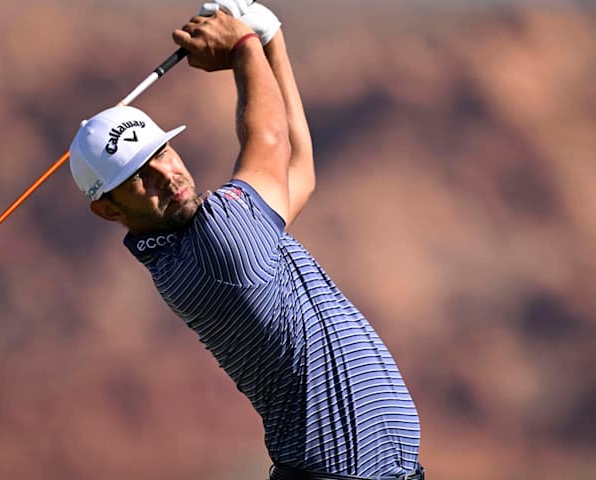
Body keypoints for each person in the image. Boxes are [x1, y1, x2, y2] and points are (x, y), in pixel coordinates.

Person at [68, 2, 422, 479]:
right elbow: (271, 139)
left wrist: (270, 38)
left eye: (162, 152)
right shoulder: (220, 243)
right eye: (137, 177)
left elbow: (299, 170)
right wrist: (243, 47)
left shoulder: (203, 241)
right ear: (108, 208)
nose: (167, 176)